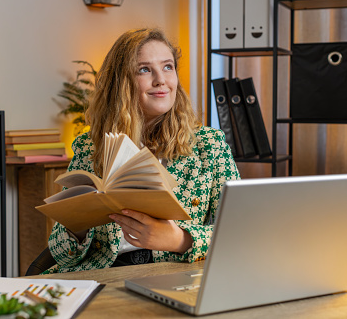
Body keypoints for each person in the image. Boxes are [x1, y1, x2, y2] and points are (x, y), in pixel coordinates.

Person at [44, 28, 240, 273]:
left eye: (168, 67)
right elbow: (60, 252)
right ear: (122, 82)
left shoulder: (208, 144)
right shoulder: (91, 146)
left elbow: (241, 233)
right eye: (145, 69)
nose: (161, 80)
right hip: (102, 275)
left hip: (175, 273)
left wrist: (179, 239)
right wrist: (77, 223)